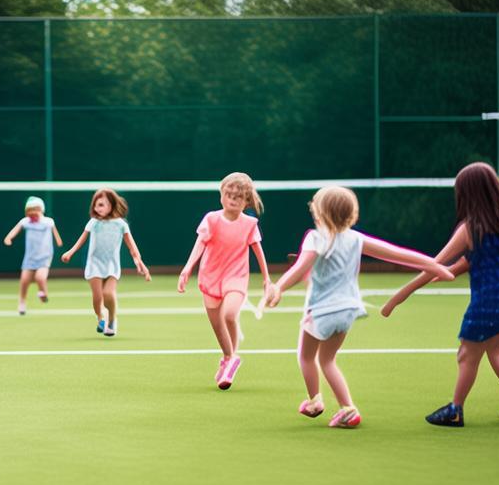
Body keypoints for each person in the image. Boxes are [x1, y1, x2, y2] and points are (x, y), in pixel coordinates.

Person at [265, 186, 456, 428]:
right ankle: (345, 407)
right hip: (348, 311)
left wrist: (278, 287)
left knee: (306, 356)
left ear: (319, 212)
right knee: (328, 360)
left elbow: (300, 267)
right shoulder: (357, 238)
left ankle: (318, 401)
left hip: (321, 311)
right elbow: (398, 254)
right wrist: (435, 266)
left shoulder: (315, 238)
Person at [381, 162, 499, 427]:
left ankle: (456, 410)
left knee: (467, 354)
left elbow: (433, 264)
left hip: (488, 299)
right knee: (495, 350)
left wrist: (399, 296)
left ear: (466, 194)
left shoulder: (469, 229)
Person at [178, 172, 273, 390]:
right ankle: (228, 357)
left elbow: (258, 250)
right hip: (210, 276)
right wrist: (187, 268)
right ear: (222, 195)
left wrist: (267, 278)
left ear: (246, 201)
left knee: (229, 315)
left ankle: (232, 360)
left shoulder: (249, 224)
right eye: (228, 194)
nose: (232, 199)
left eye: (238, 197)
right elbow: (200, 244)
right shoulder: (211, 219)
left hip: (236, 276)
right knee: (218, 324)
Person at [61, 187, 151, 337]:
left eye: (102, 204)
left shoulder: (121, 224)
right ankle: (100, 317)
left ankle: (112, 319)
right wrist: (70, 252)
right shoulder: (93, 222)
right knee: (97, 298)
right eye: (96, 205)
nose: (98, 208)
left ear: (111, 205)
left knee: (108, 293)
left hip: (111, 265)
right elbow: (81, 240)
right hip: (94, 264)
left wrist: (140, 263)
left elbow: (132, 247)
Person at [3, 195, 63, 315]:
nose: (32, 212)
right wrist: (9, 238)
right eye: (30, 210)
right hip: (30, 257)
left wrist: (58, 241)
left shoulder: (48, 222)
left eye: (35, 209)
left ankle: (43, 293)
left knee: (40, 278)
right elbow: (14, 231)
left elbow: (55, 232)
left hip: (45, 256)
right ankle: (22, 302)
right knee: (24, 281)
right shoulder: (25, 222)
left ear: (41, 210)